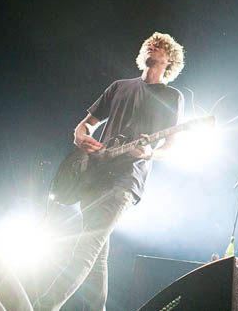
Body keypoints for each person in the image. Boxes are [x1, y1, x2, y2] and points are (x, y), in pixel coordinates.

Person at [34, 32, 185, 311]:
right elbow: (85, 125)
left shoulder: (172, 97)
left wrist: (151, 152)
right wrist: (81, 137)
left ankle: (44, 307)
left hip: (125, 183)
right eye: (150, 44)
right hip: (93, 175)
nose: (153, 46)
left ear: (170, 59)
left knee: (87, 248)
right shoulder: (119, 87)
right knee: (98, 255)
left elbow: (171, 146)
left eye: (161, 46)